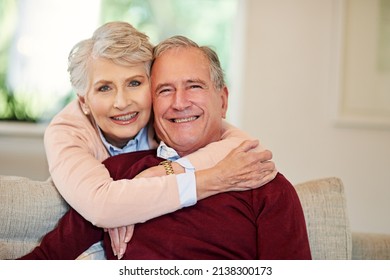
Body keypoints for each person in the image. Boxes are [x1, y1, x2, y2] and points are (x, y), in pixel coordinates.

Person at [19, 35, 311, 260]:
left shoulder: (263, 186)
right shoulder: (117, 177)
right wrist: (126, 205)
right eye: (165, 90)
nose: (180, 102)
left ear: (222, 101)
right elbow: (45, 261)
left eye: (194, 86)